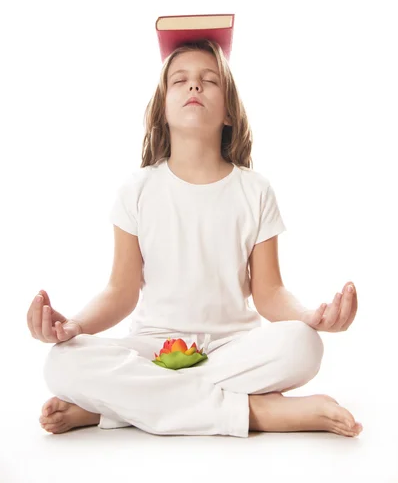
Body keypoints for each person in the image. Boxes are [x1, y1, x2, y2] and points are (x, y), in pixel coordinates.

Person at [28, 40, 362, 437]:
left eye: (209, 81)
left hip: (232, 349)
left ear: (228, 114)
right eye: (180, 81)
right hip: (152, 350)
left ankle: (111, 410)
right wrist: (76, 326)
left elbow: (269, 292)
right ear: (162, 110)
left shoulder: (254, 190)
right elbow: (121, 292)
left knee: (305, 346)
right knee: (61, 362)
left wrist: (309, 317)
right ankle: (260, 415)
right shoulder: (137, 190)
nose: (194, 87)